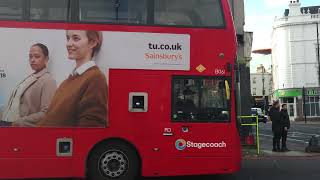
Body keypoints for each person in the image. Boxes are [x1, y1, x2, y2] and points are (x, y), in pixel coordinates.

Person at [37, 30, 107, 127]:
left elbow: (91, 126)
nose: (68, 44)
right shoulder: (67, 81)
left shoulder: (96, 78)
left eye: (76, 38)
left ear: (92, 43)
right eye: (68, 38)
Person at [0, 43, 57, 127]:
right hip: (5, 123)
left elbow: (47, 112)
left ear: (46, 59)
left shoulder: (48, 80)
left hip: (17, 127)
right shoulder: (30, 77)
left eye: (37, 56)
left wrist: (20, 122)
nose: (32, 60)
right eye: (30, 56)